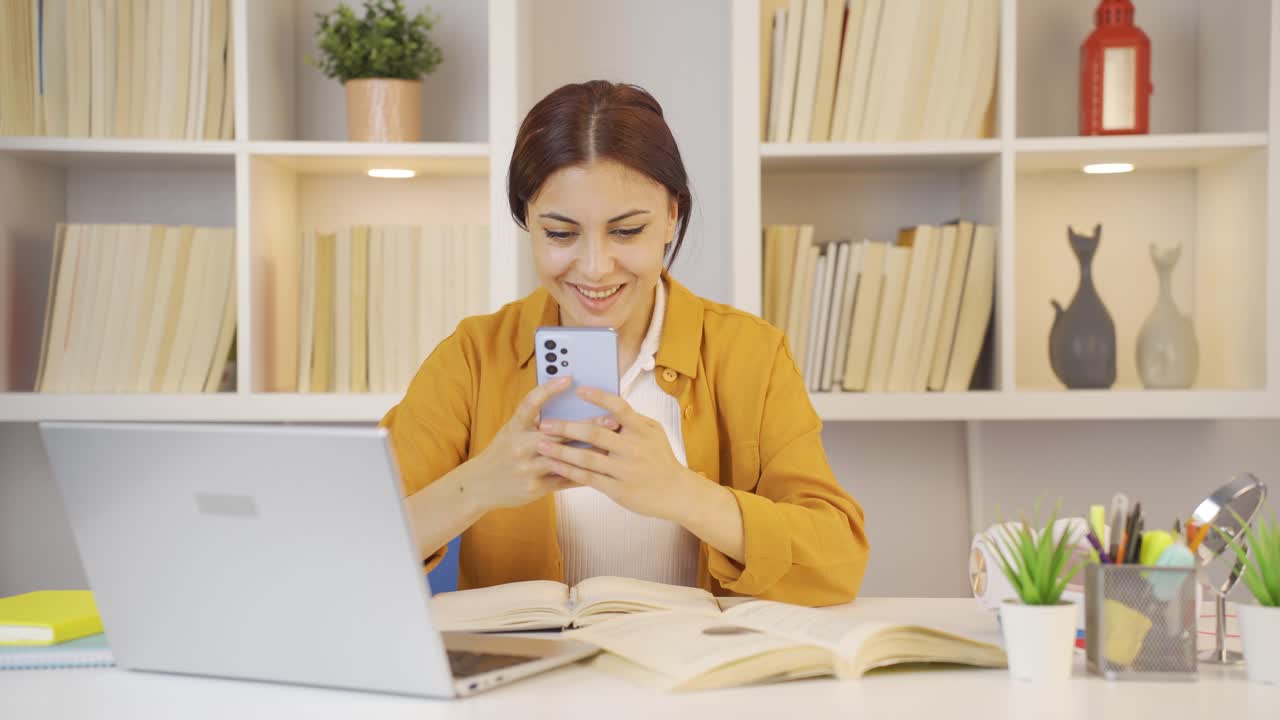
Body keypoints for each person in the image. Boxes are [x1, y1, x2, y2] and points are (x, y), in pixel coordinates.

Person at [380, 80, 868, 606]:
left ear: (671, 217)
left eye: (627, 231)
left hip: (696, 677)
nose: (594, 267)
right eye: (561, 234)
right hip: (532, 680)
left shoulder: (751, 353)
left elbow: (838, 560)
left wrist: (683, 494)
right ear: (528, 224)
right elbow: (347, 543)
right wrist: (478, 485)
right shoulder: (474, 356)